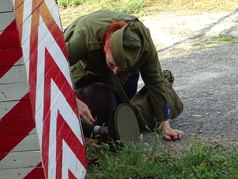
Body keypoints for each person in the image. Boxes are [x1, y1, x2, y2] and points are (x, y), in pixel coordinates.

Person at [64, 10, 184, 141]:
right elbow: (50, 70)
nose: (115, 72)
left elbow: (155, 82)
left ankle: (110, 118)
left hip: (121, 70)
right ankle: (94, 127)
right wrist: (72, 99)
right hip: (84, 69)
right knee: (91, 108)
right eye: (112, 64)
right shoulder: (83, 38)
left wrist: (164, 124)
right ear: (106, 46)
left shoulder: (143, 41)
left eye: (120, 68)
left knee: (122, 115)